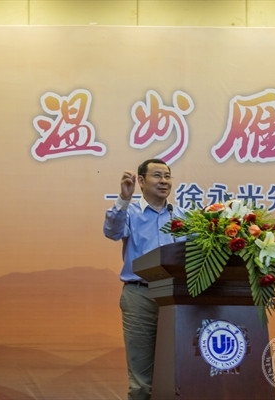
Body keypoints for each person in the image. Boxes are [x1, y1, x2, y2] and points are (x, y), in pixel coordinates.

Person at [103, 158, 186, 400]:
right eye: (157, 176)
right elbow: (112, 232)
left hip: (177, 298)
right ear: (141, 180)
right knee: (141, 381)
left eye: (167, 176)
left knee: (179, 374)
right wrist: (123, 198)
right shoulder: (130, 212)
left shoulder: (182, 215)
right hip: (140, 296)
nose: (164, 181)